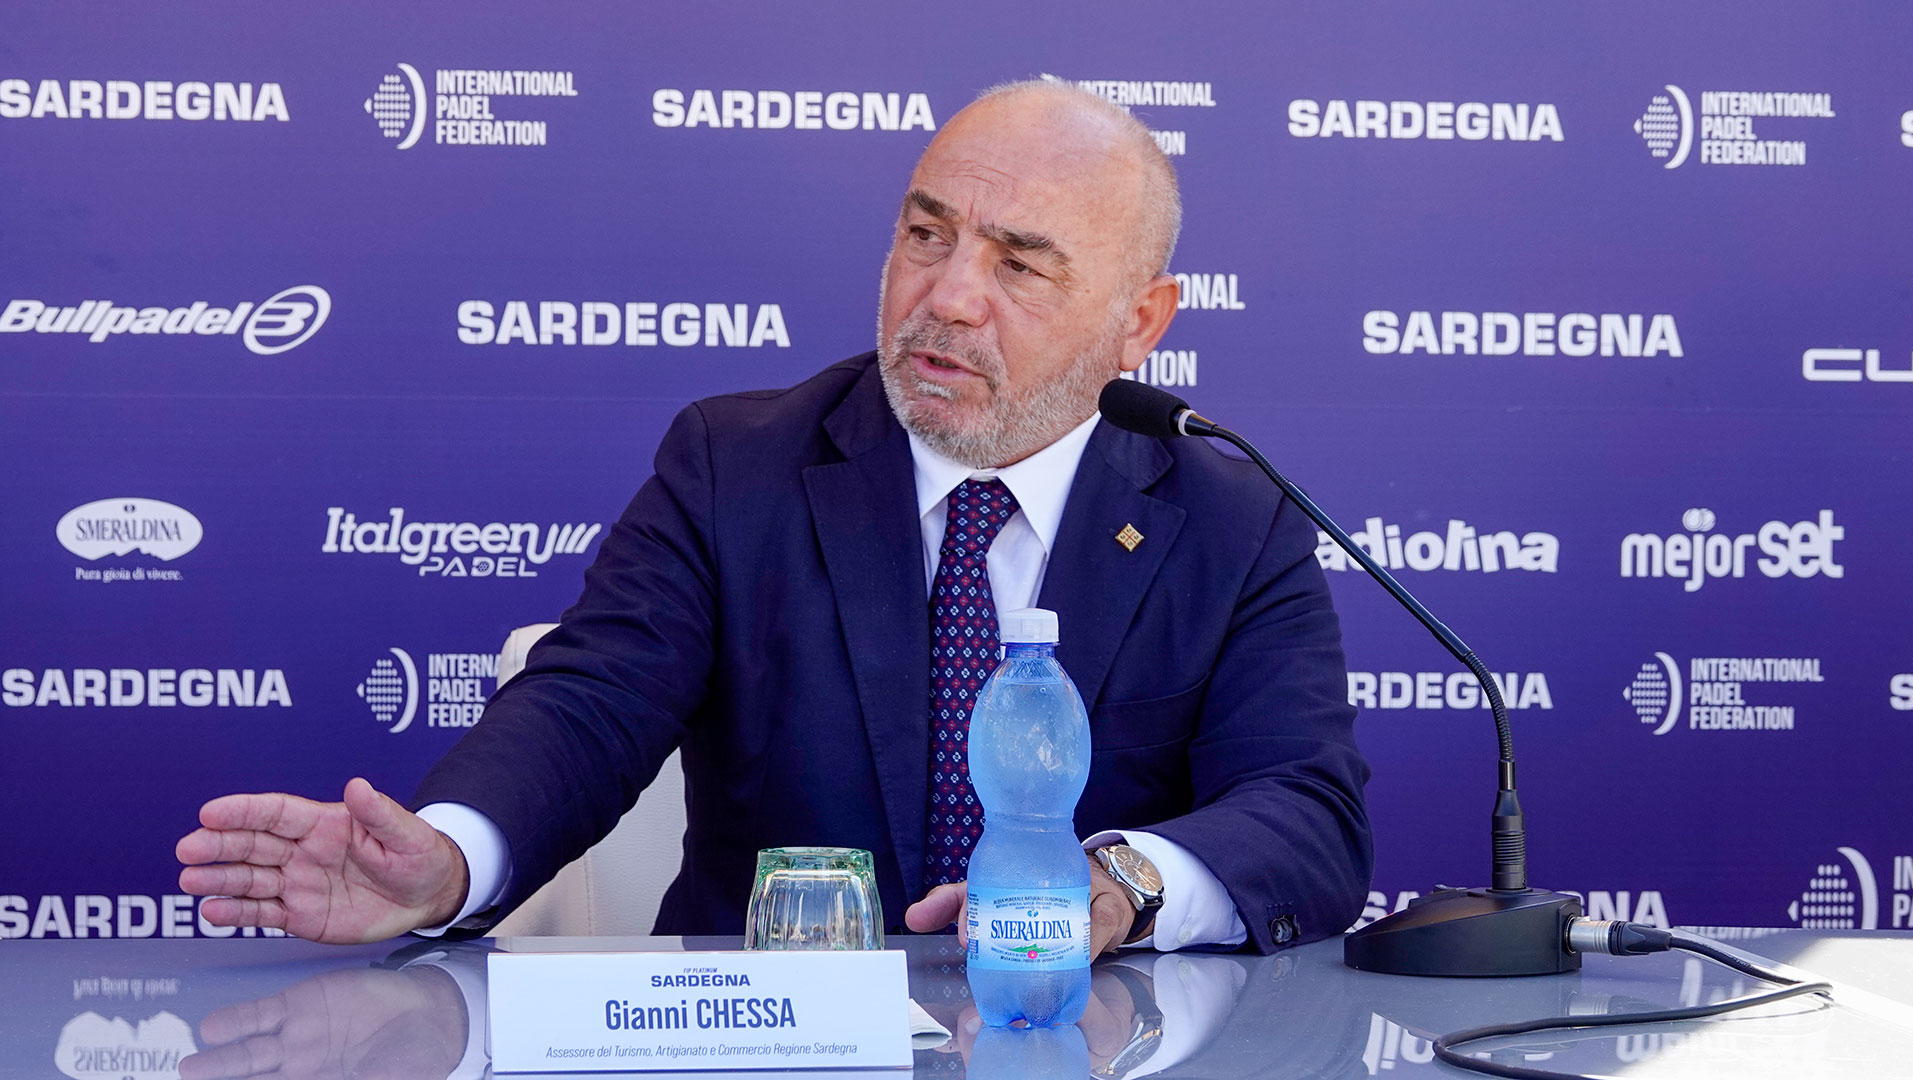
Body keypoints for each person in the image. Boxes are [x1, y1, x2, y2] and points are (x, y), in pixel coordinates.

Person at [176, 79, 1370, 957]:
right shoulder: (736, 464)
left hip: (1088, 1038)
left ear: (1139, 323)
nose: (949, 296)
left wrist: (1117, 887)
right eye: (926, 234)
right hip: (768, 1039)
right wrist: (449, 859)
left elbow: (1305, 814)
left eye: (1019, 265)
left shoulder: (1231, 518)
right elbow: (591, 700)